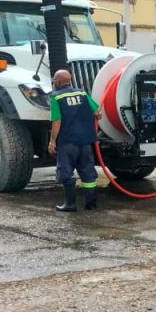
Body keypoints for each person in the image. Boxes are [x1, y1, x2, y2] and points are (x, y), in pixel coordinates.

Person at [48, 69, 101, 212]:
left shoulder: (56, 97)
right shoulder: (82, 93)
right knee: (88, 172)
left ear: (58, 82)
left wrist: (52, 141)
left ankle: (70, 204)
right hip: (85, 142)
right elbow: (97, 112)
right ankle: (91, 204)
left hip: (67, 142)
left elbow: (57, 121)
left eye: (54, 80)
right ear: (69, 80)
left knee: (66, 172)